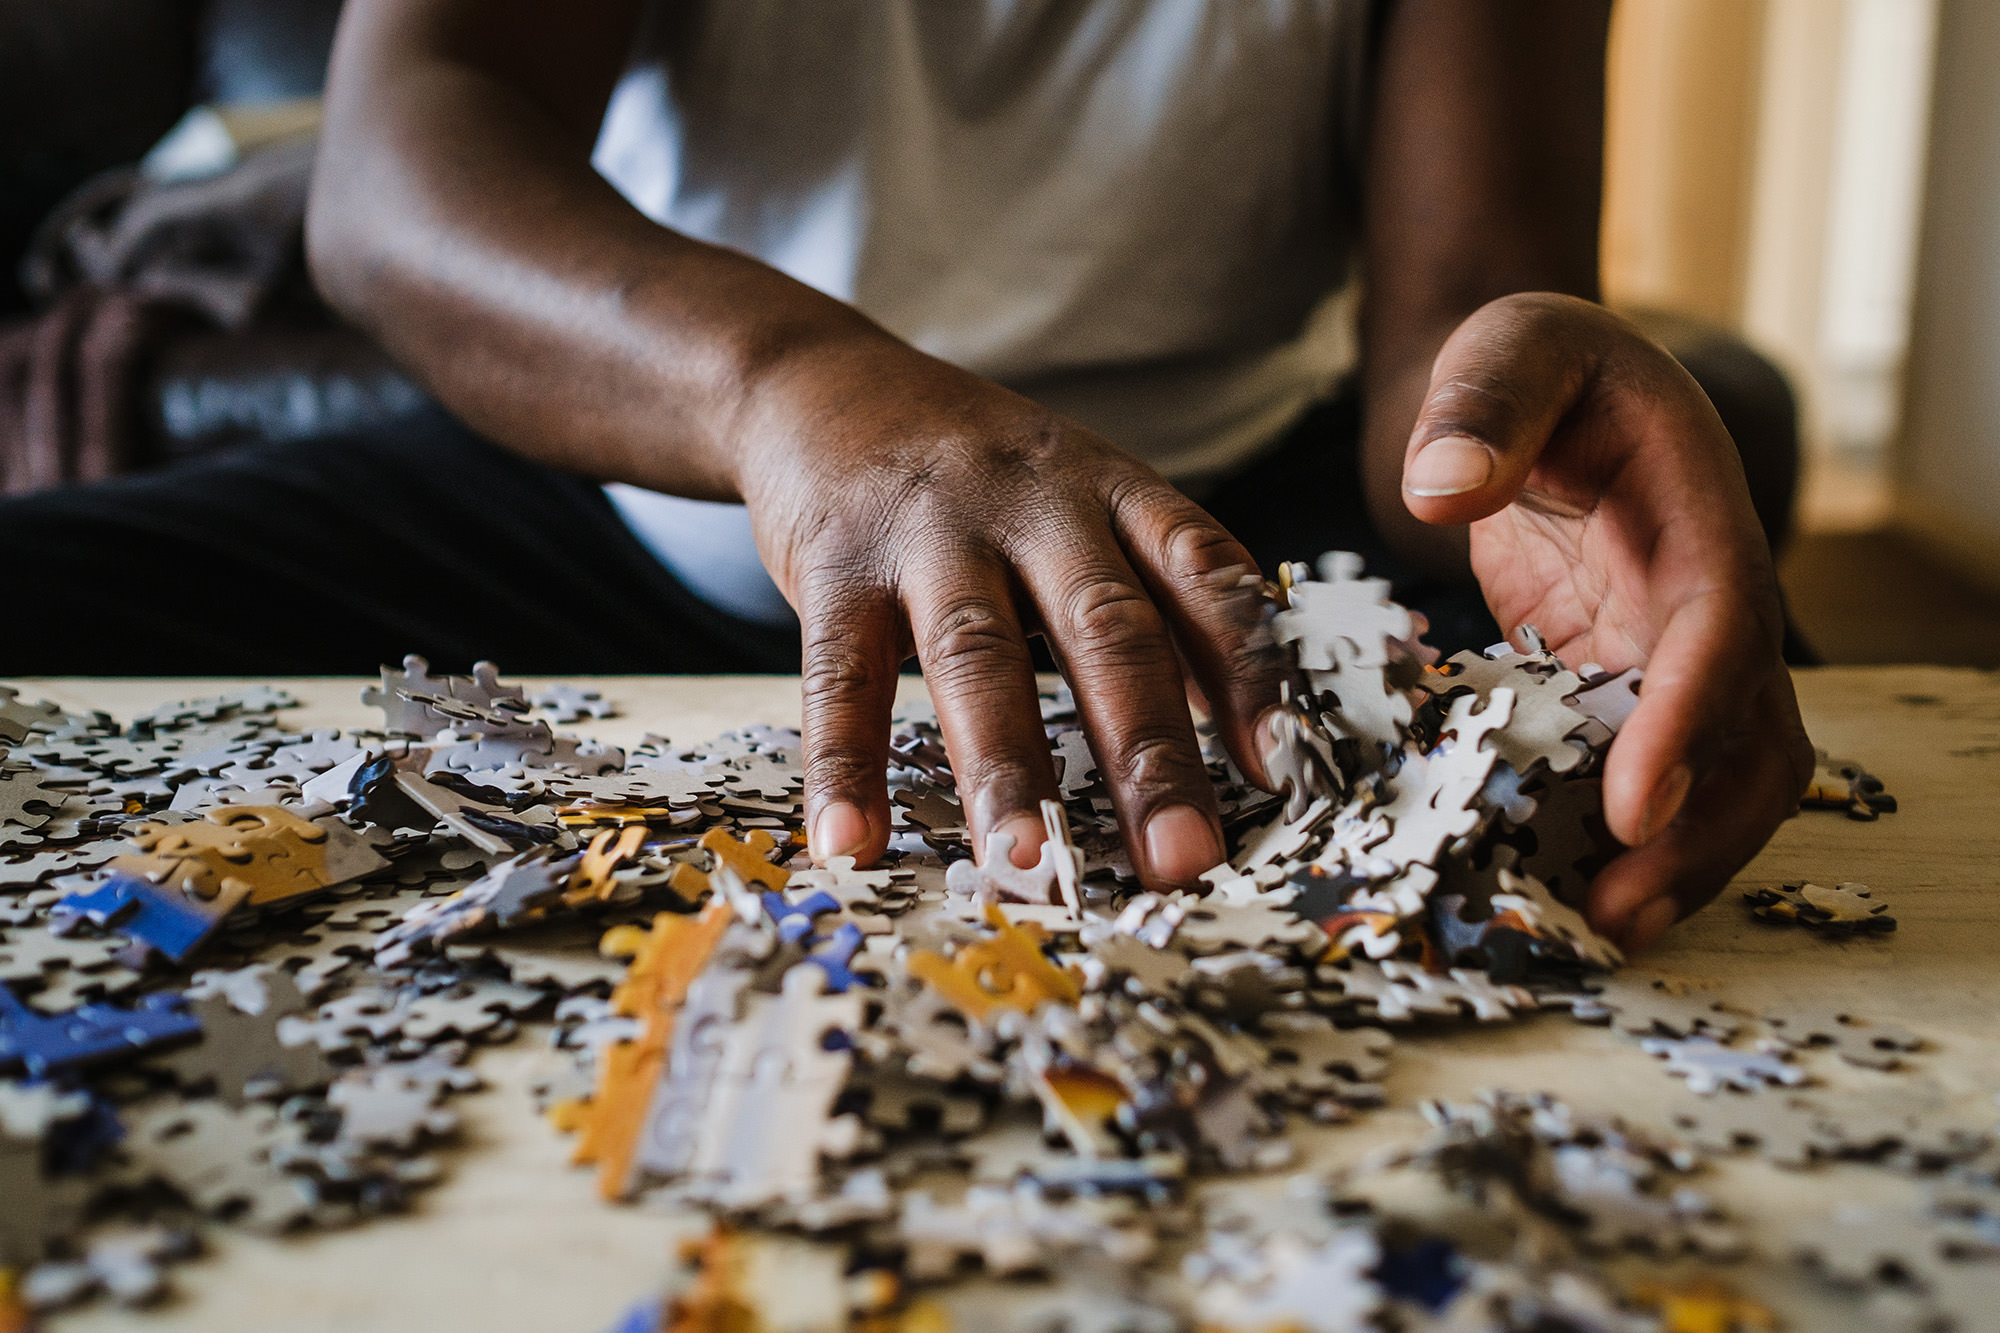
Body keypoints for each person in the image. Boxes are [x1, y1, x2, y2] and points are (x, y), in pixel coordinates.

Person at [0, 0, 1813, 954]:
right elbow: (396, 169)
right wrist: (796, 386)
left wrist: (1523, 443)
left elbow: (1459, 314)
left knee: (1615, 758)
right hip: (633, 470)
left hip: (1226, 567)